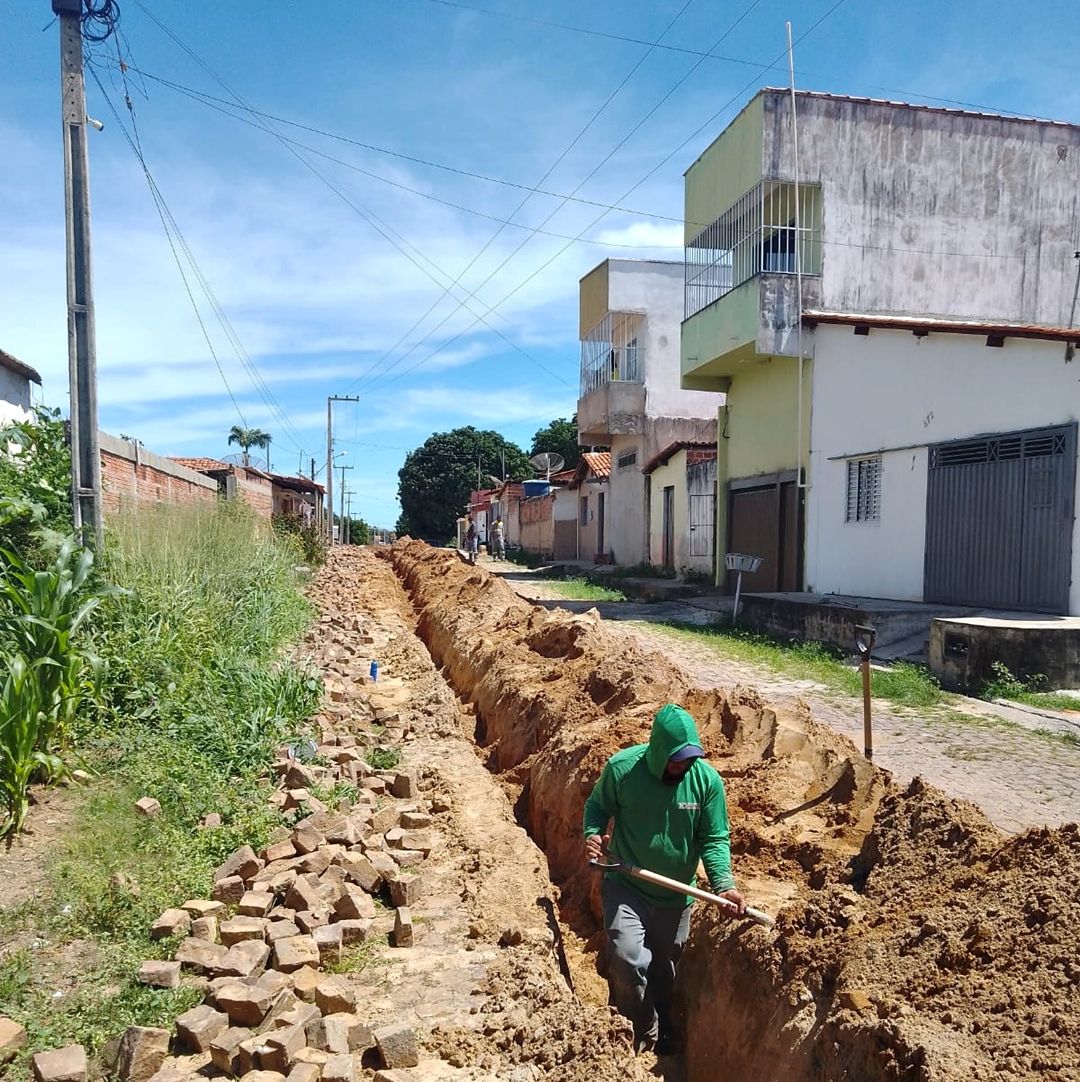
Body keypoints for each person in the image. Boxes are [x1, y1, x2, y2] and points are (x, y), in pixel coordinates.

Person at [583, 703, 745, 1056]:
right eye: (675, 759)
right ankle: (639, 1030)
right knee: (627, 958)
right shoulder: (623, 769)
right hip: (628, 885)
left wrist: (723, 884)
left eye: (688, 759)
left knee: (663, 971)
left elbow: (715, 838)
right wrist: (593, 833)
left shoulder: (706, 782)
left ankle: (664, 1020)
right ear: (657, 751)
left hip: (675, 898)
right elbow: (597, 807)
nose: (682, 766)